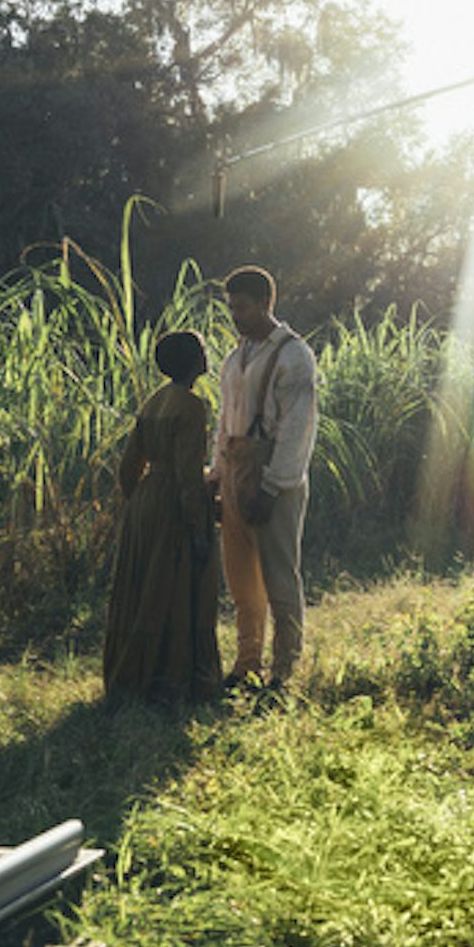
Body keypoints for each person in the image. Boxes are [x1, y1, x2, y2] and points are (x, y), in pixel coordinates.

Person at [206, 266, 320, 688]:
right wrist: (217, 476)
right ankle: (247, 664)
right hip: (235, 469)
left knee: (278, 576)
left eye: (242, 307)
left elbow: (297, 430)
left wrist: (273, 487)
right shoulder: (235, 357)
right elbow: (224, 421)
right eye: (231, 307)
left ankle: (285, 672)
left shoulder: (293, 355)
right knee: (240, 580)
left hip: (276, 476)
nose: (235, 315)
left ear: (266, 303)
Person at [102, 329, 222, 702]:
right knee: (177, 590)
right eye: (202, 351)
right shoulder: (190, 405)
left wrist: (139, 503)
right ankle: (174, 680)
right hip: (172, 503)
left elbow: (127, 467)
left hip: (146, 499)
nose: (206, 356)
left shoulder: (153, 401)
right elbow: (189, 474)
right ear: (193, 362)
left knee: (142, 590)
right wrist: (199, 527)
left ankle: (135, 676)